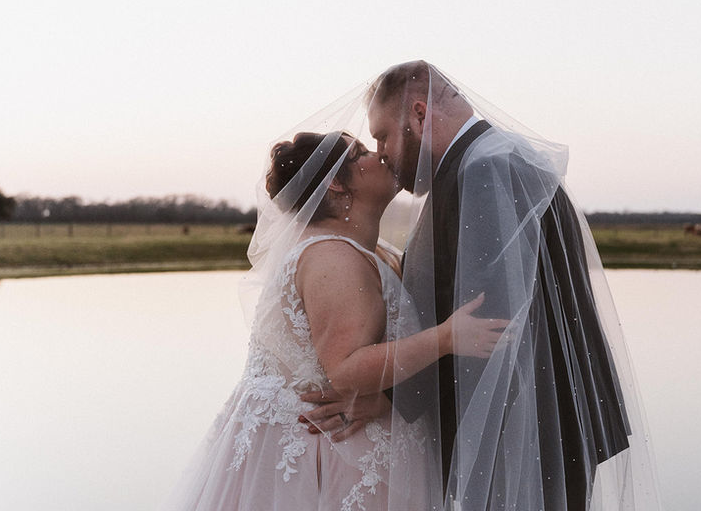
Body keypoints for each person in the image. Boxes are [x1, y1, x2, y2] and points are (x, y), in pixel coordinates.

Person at [304, 61, 661, 510]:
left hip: (526, 429)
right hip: (530, 424)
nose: (382, 154)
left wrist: (387, 400)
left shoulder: (486, 169)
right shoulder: (484, 161)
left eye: (383, 136)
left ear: (418, 115)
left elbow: (489, 321)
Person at [161, 130, 508, 511]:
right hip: (329, 458)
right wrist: (446, 338)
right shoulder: (333, 259)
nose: (380, 155)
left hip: (328, 442)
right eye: (361, 154)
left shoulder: (350, 249)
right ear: (337, 184)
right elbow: (344, 368)